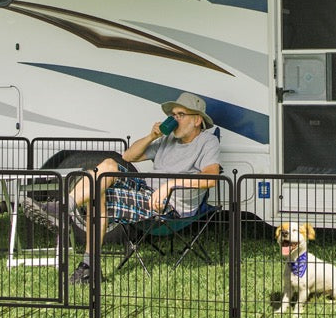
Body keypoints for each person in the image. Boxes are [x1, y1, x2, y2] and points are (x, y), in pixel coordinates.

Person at [23, 92, 221, 284]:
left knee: (100, 197)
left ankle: (87, 266)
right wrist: (151, 136)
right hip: (147, 190)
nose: (175, 119)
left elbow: (211, 178)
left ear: (197, 120)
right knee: (109, 164)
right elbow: (128, 156)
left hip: (171, 203)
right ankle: (64, 208)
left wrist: (170, 185)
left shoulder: (207, 141)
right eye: (173, 115)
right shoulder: (168, 140)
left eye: (181, 115)